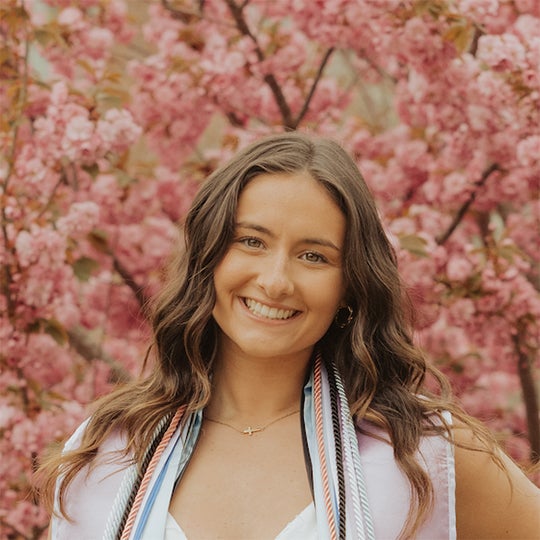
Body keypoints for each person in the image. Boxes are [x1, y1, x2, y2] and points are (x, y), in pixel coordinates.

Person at [37, 132, 539, 539]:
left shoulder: (425, 452)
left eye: (313, 255)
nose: (276, 280)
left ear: (350, 285)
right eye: (251, 241)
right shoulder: (109, 449)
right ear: (208, 257)